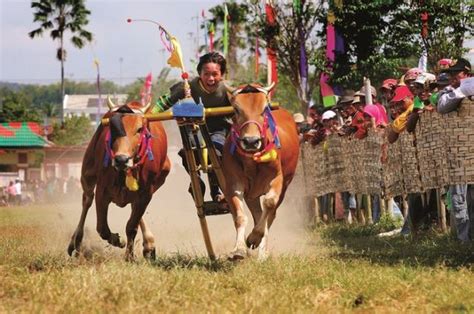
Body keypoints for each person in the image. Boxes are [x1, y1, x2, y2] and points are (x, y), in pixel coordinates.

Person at [153, 52, 231, 203]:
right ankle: (196, 183)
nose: (210, 78)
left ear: (222, 74)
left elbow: (243, 108)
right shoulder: (187, 87)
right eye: (206, 74)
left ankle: (216, 190)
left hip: (218, 130)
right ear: (200, 73)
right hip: (193, 130)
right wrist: (149, 116)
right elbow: (164, 102)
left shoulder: (227, 91)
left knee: (216, 154)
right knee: (187, 154)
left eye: (215, 74)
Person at [436, 57, 474, 242]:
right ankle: (463, 242)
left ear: (466, 74)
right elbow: (442, 107)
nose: (451, 76)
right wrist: (461, 91)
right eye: (450, 73)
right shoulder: (450, 91)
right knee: (459, 199)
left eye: (455, 73)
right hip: (459, 155)